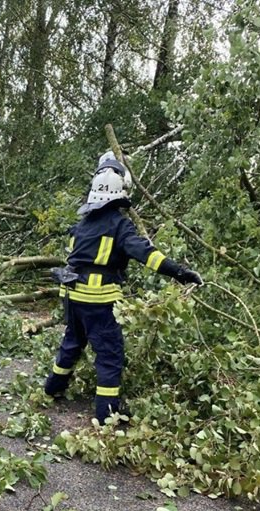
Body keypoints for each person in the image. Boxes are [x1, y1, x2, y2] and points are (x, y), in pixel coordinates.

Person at [45, 151, 203, 424]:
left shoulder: (82, 224)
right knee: (110, 355)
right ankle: (107, 413)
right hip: (99, 300)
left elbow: (73, 258)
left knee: (72, 342)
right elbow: (146, 254)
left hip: (71, 296)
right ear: (120, 191)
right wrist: (180, 272)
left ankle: (52, 388)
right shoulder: (119, 224)